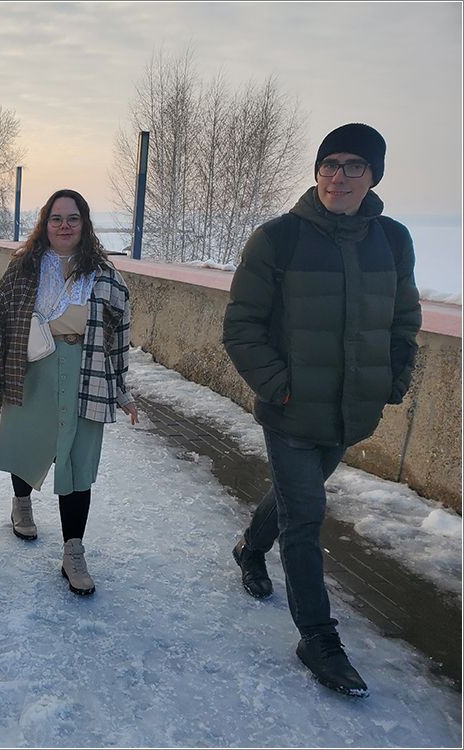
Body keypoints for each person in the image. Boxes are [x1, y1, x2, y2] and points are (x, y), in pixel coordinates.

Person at [223, 123, 422, 697]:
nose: (339, 176)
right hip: (290, 411)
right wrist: (280, 387)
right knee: (306, 517)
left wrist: (390, 380)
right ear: (317, 172)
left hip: (349, 412)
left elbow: (403, 321)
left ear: (373, 176)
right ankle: (318, 637)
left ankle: (249, 548)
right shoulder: (278, 238)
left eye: (354, 165)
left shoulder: (393, 241)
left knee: (296, 498)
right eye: (329, 164)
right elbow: (241, 327)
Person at [0, 188, 138, 596]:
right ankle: (21, 502)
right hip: (33, 368)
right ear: (44, 224)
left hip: (88, 372)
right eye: (56, 218)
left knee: (77, 463)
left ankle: (73, 552)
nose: (64, 226)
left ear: (84, 224)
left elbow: (119, 336)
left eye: (72, 218)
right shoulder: (23, 268)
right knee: (25, 443)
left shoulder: (105, 275)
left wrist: (121, 390)